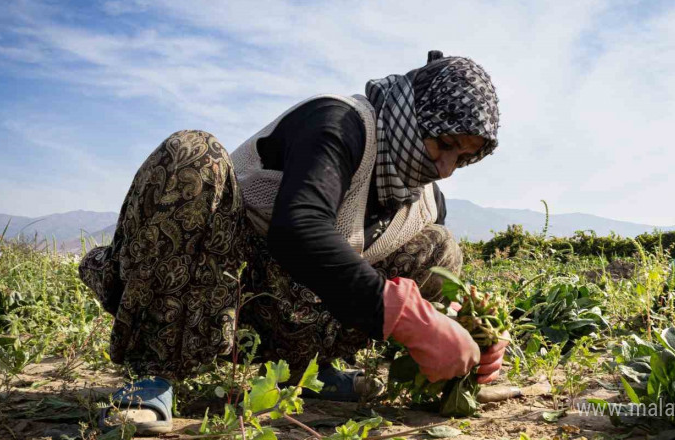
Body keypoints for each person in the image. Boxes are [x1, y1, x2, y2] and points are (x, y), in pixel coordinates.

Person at [78, 50, 505, 434]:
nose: (447, 168)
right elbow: (298, 228)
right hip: (217, 282)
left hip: (289, 313)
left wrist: (466, 330)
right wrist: (404, 315)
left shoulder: (426, 198)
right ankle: (152, 376)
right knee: (193, 154)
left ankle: (305, 370)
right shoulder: (340, 124)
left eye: (464, 157)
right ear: (414, 116)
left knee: (439, 247)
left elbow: (408, 285)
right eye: (445, 144)